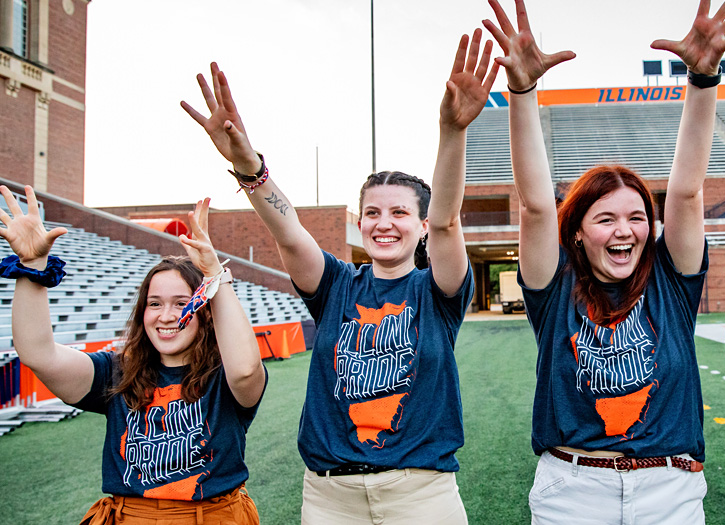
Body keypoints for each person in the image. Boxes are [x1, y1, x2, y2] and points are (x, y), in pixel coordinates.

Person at [181, 29, 498, 524]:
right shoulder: (336, 285)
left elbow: (448, 220)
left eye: (399, 213)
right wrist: (247, 164)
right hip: (331, 497)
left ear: (419, 227)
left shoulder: (435, 290)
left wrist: (451, 131)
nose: (384, 223)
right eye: (373, 212)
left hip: (421, 494)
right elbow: (288, 233)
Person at [483, 0, 725, 522]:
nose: (624, 230)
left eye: (636, 216)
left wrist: (702, 80)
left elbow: (688, 192)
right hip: (573, 490)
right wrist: (521, 92)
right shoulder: (554, 286)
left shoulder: (671, 282)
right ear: (578, 235)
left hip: (669, 489)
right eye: (605, 219)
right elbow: (537, 204)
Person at [0, 188, 266, 524]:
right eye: (154, 304)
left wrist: (215, 275)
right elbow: (39, 354)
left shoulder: (225, 375)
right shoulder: (116, 371)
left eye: (181, 303)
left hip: (212, 516)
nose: (166, 316)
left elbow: (245, 371)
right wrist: (31, 267)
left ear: (205, 311)